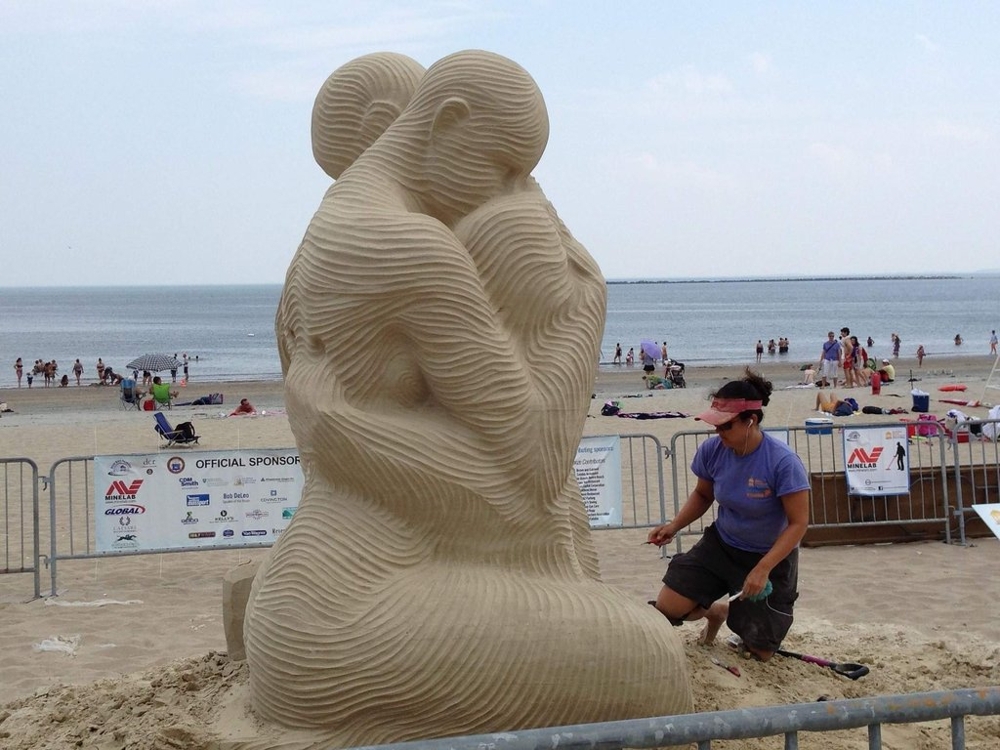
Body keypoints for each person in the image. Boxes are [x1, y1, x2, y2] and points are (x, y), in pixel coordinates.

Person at [647, 369, 810, 661]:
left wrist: (763, 568)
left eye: (725, 426)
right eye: (716, 426)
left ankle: (737, 615)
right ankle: (717, 610)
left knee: (760, 651)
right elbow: (703, 495)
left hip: (769, 555)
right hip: (723, 544)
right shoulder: (713, 450)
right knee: (668, 607)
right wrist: (674, 526)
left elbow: (798, 524)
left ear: (751, 421)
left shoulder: (783, 462)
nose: (717, 433)